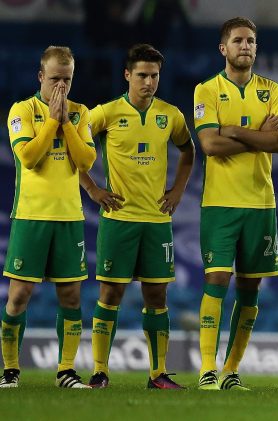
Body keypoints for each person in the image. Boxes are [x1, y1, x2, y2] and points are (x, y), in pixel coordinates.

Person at [80, 44, 194, 390]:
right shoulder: (107, 113)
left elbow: (188, 151)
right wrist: (93, 189)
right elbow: (72, 146)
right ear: (127, 75)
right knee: (110, 294)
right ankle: (100, 371)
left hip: (157, 222)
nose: (148, 82)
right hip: (119, 219)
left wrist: (177, 191)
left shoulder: (170, 115)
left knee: (157, 296)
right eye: (142, 75)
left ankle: (157, 374)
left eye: (154, 75)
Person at [193, 17, 278, 391]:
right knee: (216, 280)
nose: (245, 46)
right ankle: (207, 370)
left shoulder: (272, 90)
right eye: (238, 41)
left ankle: (231, 371)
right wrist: (258, 136)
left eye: (251, 41)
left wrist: (233, 130)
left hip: (261, 203)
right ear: (224, 49)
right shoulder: (207, 90)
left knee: (251, 290)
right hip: (220, 203)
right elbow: (210, 146)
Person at [1, 46, 97, 389]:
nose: (61, 87)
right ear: (41, 76)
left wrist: (66, 123)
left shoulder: (81, 113)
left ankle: (66, 371)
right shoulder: (21, 110)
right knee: (19, 295)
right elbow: (28, 157)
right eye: (55, 78)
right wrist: (52, 122)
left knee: (70, 296)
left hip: (69, 217)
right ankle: (10, 370)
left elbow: (85, 161)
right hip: (31, 215)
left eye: (67, 80)